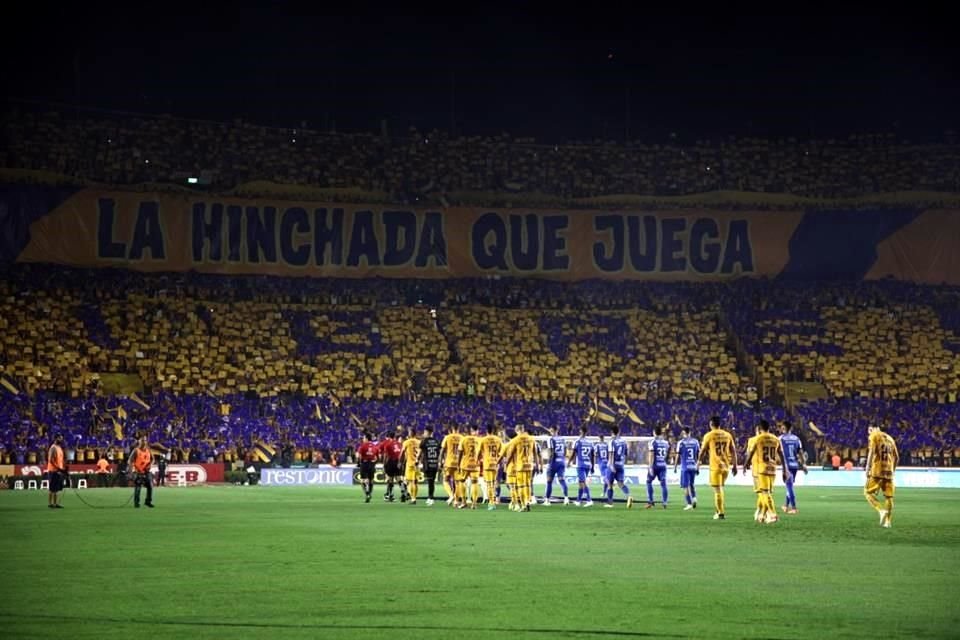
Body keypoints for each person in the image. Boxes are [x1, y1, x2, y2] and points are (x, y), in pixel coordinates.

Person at [744, 420, 789, 524]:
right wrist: (784, 470)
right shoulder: (776, 439)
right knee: (767, 493)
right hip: (772, 469)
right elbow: (781, 455)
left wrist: (746, 464)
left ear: (760, 429)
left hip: (762, 469)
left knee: (764, 493)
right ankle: (762, 515)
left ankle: (773, 515)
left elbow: (751, 453)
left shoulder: (758, 439)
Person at [698, 416, 737, 520]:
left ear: (711, 424)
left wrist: (698, 462)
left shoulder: (709, 435)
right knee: (720, 489)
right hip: (726, 467)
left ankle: (720, 513)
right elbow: (733, 451)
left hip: (715, 467)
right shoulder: (727, 435)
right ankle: (718, 510)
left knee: (717, 490)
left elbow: (702, 451)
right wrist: (735, 465)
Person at [865, 424, 899, 528]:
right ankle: (888, 522)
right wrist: (893, 470)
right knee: (889, 497)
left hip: (877, 470)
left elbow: (871, 452)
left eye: (870, 430)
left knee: (867, 492)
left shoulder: (874, 435)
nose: (869, 433)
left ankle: (881, 511)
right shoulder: (890, 439)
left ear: (876, 428)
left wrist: (867, 467)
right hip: (889, 471)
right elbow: (897, 457)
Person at [502, 424, 538, 512]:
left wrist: (507, 464)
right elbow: (535, 453)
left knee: (521, 486)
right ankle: (528, 501)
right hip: (529, 465)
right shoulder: (531, 439)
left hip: (520, 466)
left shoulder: (516, 440)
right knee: (528, 485)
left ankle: (523, 504)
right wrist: (537, 464)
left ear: (516, 430)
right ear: (523, 429)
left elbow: (510, 454)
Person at [779, 421, 807, 514]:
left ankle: (794, 508)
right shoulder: (796, 439)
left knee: (789, 486)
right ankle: (786, 506)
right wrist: (803, 464)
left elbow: (777, 452)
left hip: (786, 466)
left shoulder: (780, 439)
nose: (781, 430)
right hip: (795, 465)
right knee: (789, 485)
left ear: (784, 428)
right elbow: (801, 452)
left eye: (782, 428)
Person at [605, 425, 633, 509]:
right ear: (619, 432)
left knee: (609, 484)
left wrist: (611, 465)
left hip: (613, 464)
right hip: (621, 464)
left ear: (611, 432)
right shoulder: (623, 441)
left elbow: (611, 454)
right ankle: (629, 496)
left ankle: (610, 503)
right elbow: (625, 454)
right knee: (621, 484)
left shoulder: (612, 442)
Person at [673, 426, 700, 511]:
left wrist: (675, 466)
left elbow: (677, 455)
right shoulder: (696, 442)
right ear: (690, 432)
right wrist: (698, 466)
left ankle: (689, 504)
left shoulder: (681, 443)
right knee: (692, 484)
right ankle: (694, 498)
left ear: (684, 433)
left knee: (685, 486)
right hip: (693, 466)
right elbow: (699, 455)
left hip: (685, 467)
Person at [542, 426, 570, 505]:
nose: (550, 432)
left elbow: (551, 451)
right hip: (561, 462)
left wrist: (549, 462)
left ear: (553, 431)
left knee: (549, 481)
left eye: (551, 431)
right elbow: (565, 451)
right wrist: (563, 459)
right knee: (562, 480)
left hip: (553, 462)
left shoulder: (550, 439)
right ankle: (566, 498)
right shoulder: (562, 439)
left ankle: (547, 500)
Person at [568, 425, 594, 507]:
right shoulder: (591, 442)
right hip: (588, 464)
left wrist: (569, 462)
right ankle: (578, 500)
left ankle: (589, 500)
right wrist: (592, 466)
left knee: (583, 482)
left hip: (581, 465)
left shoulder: (578, 441)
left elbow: (573, 454)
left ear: (581, 431)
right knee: (580, 483)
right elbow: (593, 455)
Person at [479, 425, 503, 510]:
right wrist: (498, 462)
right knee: (493, 483)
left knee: (489, 484)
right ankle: (494, 500)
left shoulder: (483, 440)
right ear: (493, 431)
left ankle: (491, 503)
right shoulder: (498, 440)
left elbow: (478, 453)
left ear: (487, 431)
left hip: (487, 464)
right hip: (495, 464)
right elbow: (502, 453)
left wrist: (478, 460)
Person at [457, 425, 481, 509]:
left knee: (462, 481)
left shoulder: (463, 439)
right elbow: (481, 454)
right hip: (475, 465)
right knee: (475, 483)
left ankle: (463, 502)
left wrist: (458, 464)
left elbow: (459, 453)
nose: (478, 432)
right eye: (477, 430)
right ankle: (474, 503)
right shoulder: (479, 440)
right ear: (473, 430)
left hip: (465, 464)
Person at [646, 425, 670, 509]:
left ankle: (650, 502)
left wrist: (650, 467)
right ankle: (665, 502)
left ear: (654, 433)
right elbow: (666, 454)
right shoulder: (666, 442)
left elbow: (651, 455)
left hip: (655, 465)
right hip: (663, 465)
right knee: (663, 484)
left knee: (648, 482)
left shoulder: (652, 442)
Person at [439, 425, 462, 506]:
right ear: (458, 429)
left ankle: (451, 495)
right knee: (458, 482)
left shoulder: (447, 437)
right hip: (458, 463)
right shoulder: (462, 438)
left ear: (451, 429)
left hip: (448, 462)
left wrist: (440, 461)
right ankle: (456, 501)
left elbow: (442, 450)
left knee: (445, 480)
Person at [380, 428, 404, 502]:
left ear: (388, 437)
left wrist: (384, 465)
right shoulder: (399, 444)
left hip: (390, 462)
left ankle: (390, 495)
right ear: (394, 437)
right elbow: (402, 454)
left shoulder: (387, 444)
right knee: (399, 479)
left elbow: (385, 456)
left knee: (390, 480)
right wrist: (401, 463)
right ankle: (404, 492)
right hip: (398, 462)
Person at [419, 427, 441, 506]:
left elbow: (420, 452)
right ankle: (430, 497)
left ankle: (430, 498)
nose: (423, 433)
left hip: (427, 463)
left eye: (424, 432)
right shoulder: (436, 441)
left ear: (427, 432)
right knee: (432, 481)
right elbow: (439, 453)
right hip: (434, 463)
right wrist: (439, 462)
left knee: (430, 481)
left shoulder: (424, 441)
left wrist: (417, 461)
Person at [131, 436, 155, 509]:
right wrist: (134, 468)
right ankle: (136, 503)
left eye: (145, 440)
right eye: (142, 441)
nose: (144, 442)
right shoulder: (136, 450)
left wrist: (150, 465)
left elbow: (153, 459)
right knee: (138, 487)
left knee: (150, 486)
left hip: (146, 471)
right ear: (139, 442)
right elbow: (130, 460)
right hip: (138, 471)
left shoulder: (148, 450)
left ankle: (148, 501)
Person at [356, 432, 379, 503]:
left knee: (363, 480)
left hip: (364, 464)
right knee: (371, 480)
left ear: (366, 438)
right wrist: (374, 463)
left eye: (363, 438)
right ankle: (370, 493)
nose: (363, 439)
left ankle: (367, 493)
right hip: (372, 464)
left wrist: (358, 463)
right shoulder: (375, 446)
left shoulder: (362, 446)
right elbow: (378, 457)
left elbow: (358, 456)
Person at [400, 428, 421, 505]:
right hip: (416, 464)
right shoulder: (419, 442)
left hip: (409, 464)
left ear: (411, 433)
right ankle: (414, 497)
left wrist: (400, 462)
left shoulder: (406, 442)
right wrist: (418, 460)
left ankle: (412, 498)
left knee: (409, 481)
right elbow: (421, 453)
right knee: (415, 482)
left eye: (409, 432)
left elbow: (402, 453)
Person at [46, 433, 66, 509]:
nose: (61, 440)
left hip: (59, 470)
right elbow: (51, 460)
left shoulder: (59, 448)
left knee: (57, 488)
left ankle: (56, 503)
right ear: (56, 438)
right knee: (52, 488)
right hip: (53, 470)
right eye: (60, 438)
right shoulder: (53, 448)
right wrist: (58, 468)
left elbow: (60, 459)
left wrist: (62, 468)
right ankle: (50, 504)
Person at [594, 432, 610, 499]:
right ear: (604, 438)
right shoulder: (607, 445)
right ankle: (604, 492)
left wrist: (594, 463)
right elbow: (609, 454)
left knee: (605, 478)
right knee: (606, 477)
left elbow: (595, 454)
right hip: (607, 462)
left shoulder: (597, 445)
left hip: (601, 463)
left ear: (599, 438)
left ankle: (610, 485)